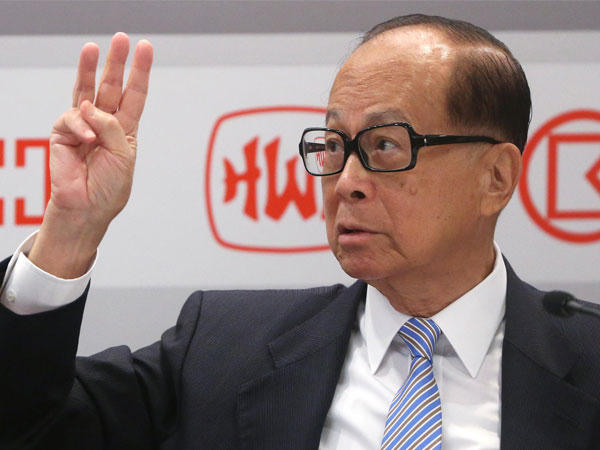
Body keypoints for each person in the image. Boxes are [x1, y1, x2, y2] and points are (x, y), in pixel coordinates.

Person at [1, 14, 599, 450]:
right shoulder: (221, 350)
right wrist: (71, 230)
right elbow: (29, 430)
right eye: (335, 145)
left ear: (496, 177)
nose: (347, 183)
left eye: (386, 145)